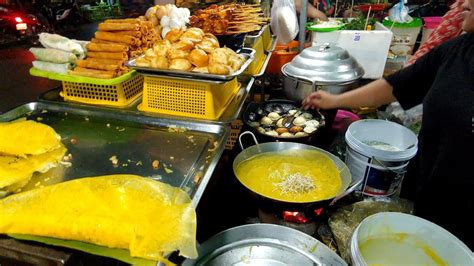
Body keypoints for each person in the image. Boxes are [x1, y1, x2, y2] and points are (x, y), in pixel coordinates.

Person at [302, 0, 474, 249]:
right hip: (428, 196)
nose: (465, 2)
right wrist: (334, 100)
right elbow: (397, 86)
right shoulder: (458, 50)